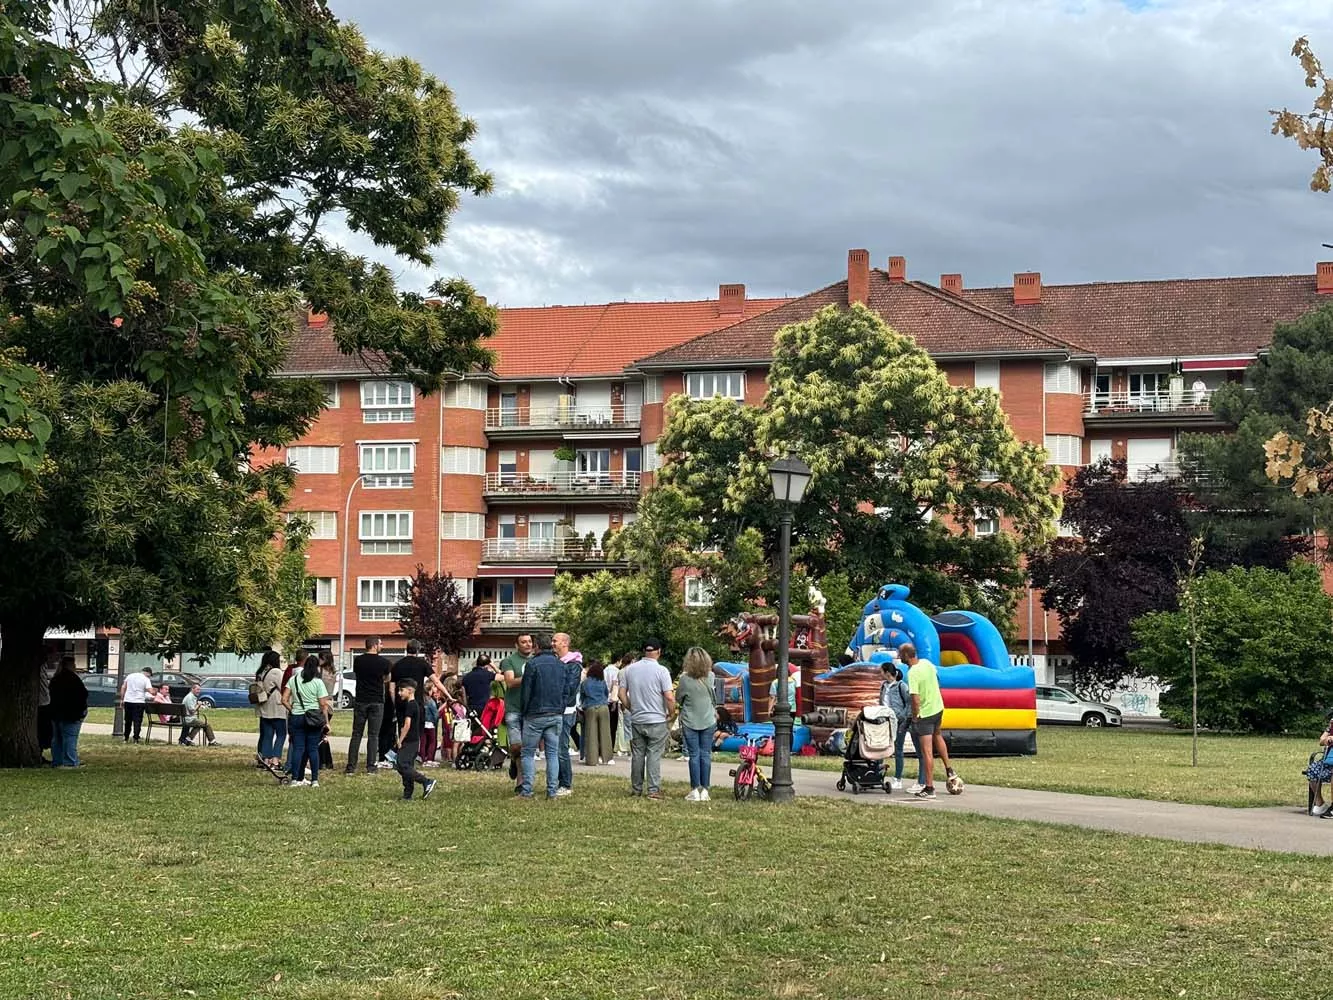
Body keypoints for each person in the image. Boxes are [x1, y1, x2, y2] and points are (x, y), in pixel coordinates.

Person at [620, 638, 675, 800]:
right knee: (653, 754)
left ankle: (636, 788)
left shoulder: (629, 670)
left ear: (644, 651)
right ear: (659, 652)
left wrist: (631, 707)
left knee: (637, 754)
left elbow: (622, 694)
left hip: (637, 718)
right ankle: (653, 789)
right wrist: (671, 713)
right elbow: (669, 697)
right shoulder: (662, 671)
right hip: (657, 718)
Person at [901, 643, 956, 800]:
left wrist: (915, 716)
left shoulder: (912, 673)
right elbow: (937, 681)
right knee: (937, 736)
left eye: (900, 654)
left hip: (925, 714)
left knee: (927, 752)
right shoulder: (927, 663)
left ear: (906, 656)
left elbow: (915, 699)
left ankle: (929, 787)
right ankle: (949, 769)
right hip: (938, 708)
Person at [517, 633, 566, 800]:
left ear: (537, 646)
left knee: (528, 753)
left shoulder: (532, 664)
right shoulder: (561, 665)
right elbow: (566, 690)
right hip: (556, 713)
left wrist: (524, 711)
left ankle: (527, 790)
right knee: (552, 754)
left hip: (535, 714)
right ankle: (552, 791)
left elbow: (526, 691)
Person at [282, 654, 331, 787]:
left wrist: (292, 709)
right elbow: (323, 704)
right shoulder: (318, 682)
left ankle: (295, 779)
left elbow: (284, 699)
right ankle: (314, 780)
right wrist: (326, 722)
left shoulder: (294, 679)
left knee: (298, 748)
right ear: (316, 668)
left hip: (297, 716)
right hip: (313, 718)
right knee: (313, 749)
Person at [676, 647, 717, 802]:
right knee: (706, 754)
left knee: (694, 754)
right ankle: (705, 790)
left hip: (690, 720)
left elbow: (679, 698)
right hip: (708, 719)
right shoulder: (711, 676)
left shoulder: (684, 679)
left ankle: (694, 790)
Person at [347, 636, 392, 775]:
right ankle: (371, 766)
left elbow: (357, 674)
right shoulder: (384, 662)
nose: (382, 646)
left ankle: (351, 767)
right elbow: (387, 678)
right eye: (380, 644)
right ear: (374, 645)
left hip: (361, 699)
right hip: (377, 701)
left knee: (356, 734)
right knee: (373, 735)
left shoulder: (358, 660)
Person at [394, 679, 437, 801]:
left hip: (409, 741)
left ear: (410, 690)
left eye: (401, 690)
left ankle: (426, 781)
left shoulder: (411, 705)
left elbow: (407, 725)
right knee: (407, 766)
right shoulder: (413, 704)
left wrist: (400, 740)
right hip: (414, 740)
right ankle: (407, 794)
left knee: (402, 765)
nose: (399, 693)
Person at [500, 634, 533, 787]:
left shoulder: (535, 661)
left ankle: (521, 781)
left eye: (529, 642)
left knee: (526, 746)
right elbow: (510, 682)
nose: (527, 644)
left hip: (531, 709)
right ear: (516, 645)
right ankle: (513, 758)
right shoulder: (509, 661)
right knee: (516, 745)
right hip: (513, 707)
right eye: (523, 642)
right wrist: (529, 676)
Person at [553, 632, 582, 796]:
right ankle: (557, 781)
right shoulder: (558, 662)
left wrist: (558, 704)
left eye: (555, 641)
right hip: (557, 709)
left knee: (561, 748)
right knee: (555, 747)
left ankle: (565, 784)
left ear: (565, 643)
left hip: (565, 710)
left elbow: (570, 689)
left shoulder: (573, 665)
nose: (552, 643)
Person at [47, 656, 88, 768]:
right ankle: (70, 762)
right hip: (71, 714)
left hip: (56, 713)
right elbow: (82, 695)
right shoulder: (73, 679)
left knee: (57, 739)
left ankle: (58, 761)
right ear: (70, 665)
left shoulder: (55, 679)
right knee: (70, 738)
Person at [880, 662, 914, 791]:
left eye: (882, 671)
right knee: (880, 746)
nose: (880, 674)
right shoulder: (883, 686)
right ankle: (877, 774)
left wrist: (903, 718)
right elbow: (881, 700)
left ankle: (898, 778)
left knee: (898, 749)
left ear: (887, 673)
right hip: (885, 720)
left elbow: (909, 703)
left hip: (899, 721)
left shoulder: (901, 686)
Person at [254, 650, 287, 769]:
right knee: (281, 734)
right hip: (276, 707)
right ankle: (275, 761)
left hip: (264, 706)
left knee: (267, 735)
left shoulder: (261, 672)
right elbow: (283, 687)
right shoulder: (276, 672)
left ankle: (266, 760)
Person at [580, 660, 612, 765]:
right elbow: (606, 694)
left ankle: (592, 760)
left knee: (591, 734)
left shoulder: (585, 682)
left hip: (590, 707)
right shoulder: (602, 682)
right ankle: (607, 758)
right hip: (603, 707)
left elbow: (582, 697)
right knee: (605, 733)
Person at [1304, 709, 1333, 817]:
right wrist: (1327, 739)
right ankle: (1320, 804)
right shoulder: (1332, 724)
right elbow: (1321, 740)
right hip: (1329, 759)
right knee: (1312, 770)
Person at [119, 666, 153, 743]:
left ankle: (126, 737)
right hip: (139, 702)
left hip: (128, 701)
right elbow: (150, 691)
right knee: (137, 721)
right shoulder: (146, 679)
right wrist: (154, 692)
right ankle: (136, 738)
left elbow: (123, 687)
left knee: (128, 720)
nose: (149, 677)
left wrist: (122, 699)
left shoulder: (130, 676)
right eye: (150, 675)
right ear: (148, 673)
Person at [603, 655, 622, 757]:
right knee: (613, 726)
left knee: (605, 726)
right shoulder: (616, 671)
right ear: (618, 661)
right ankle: (610, 747)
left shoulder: (605, 670)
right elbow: (615, 686)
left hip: (604, 700)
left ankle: (604, 746)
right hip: (612, 700)